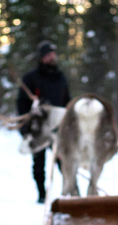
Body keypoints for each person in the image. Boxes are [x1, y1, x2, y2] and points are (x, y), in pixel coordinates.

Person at [17, 41, 71, 204]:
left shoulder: (60, 78)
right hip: (38, 128)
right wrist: (25, 129)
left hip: (58, 127)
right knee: (39, 162)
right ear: (41, 57)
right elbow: (22, 104)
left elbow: (67, 101)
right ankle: (42, 194)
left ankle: (70, 192)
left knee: (63, 160)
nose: (51, 57)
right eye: (48, 55)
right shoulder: (31, 78)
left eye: (53, 54)